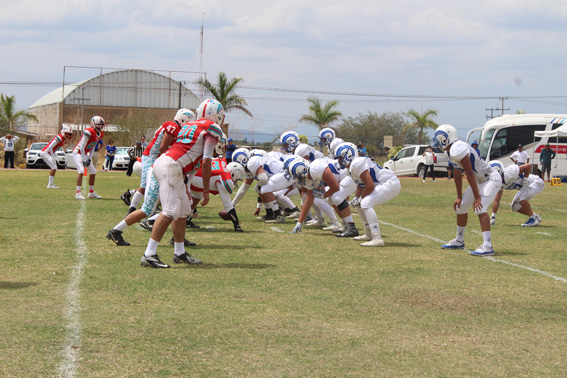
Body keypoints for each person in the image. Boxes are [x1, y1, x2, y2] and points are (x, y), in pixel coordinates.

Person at [140, 98, 224, 269]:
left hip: (170, 164)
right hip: (172, 166)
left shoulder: (190, 125)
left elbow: (188, 152)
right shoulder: (210, 129)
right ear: (216, 115)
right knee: (170, 211)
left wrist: (185, 186)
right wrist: (206, 190)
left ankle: (179, 253)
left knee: (183, 211)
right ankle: (149, 254)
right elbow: (206, 161)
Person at [433, 124, 502, 256]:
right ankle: (459, 241)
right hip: (479, 180)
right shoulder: (449, 151)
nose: (436, 141)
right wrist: (459, 196)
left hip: (490, 178)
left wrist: (477, 197)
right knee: (461, 207)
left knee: (480, 207)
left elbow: (469, 173)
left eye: (439, 137)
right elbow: (458, 173)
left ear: (447, 137)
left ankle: (487, 246)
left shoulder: (458, 148)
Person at [336, 142, 401, 246]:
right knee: (359, 204)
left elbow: (369, 185)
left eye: (340, 157)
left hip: (390, 183)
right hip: (383, 184)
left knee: (365, 202)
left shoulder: (356, 163)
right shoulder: (350, 169)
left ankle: (377, 238)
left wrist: (361, 198)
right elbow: (361, 185)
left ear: (348, 155)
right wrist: (357, 197)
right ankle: (369, 233)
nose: (339, 161)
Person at [489, 161, 544, 227]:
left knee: (520, 197)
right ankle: (535, 216)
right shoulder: (498, 183)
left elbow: (528, 166)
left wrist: (525, 181)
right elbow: (497, 200)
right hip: (528, 186)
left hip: (535, 182)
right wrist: (493, 216)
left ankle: (532, 219)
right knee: (514, 206)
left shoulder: (509, 173)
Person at [72, 116, 105, 199]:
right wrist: (84, 159)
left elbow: (92, 146)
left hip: (85, 153)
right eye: (99, 124)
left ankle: (91, 192)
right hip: (78, 152)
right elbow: (82, 147)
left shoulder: (100, 133)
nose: (100, 126)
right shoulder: (88, 131)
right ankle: (78, 193)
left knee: (93, 171)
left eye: (101, 124)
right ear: (93, 124)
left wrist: (89, 158)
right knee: (81, 170)